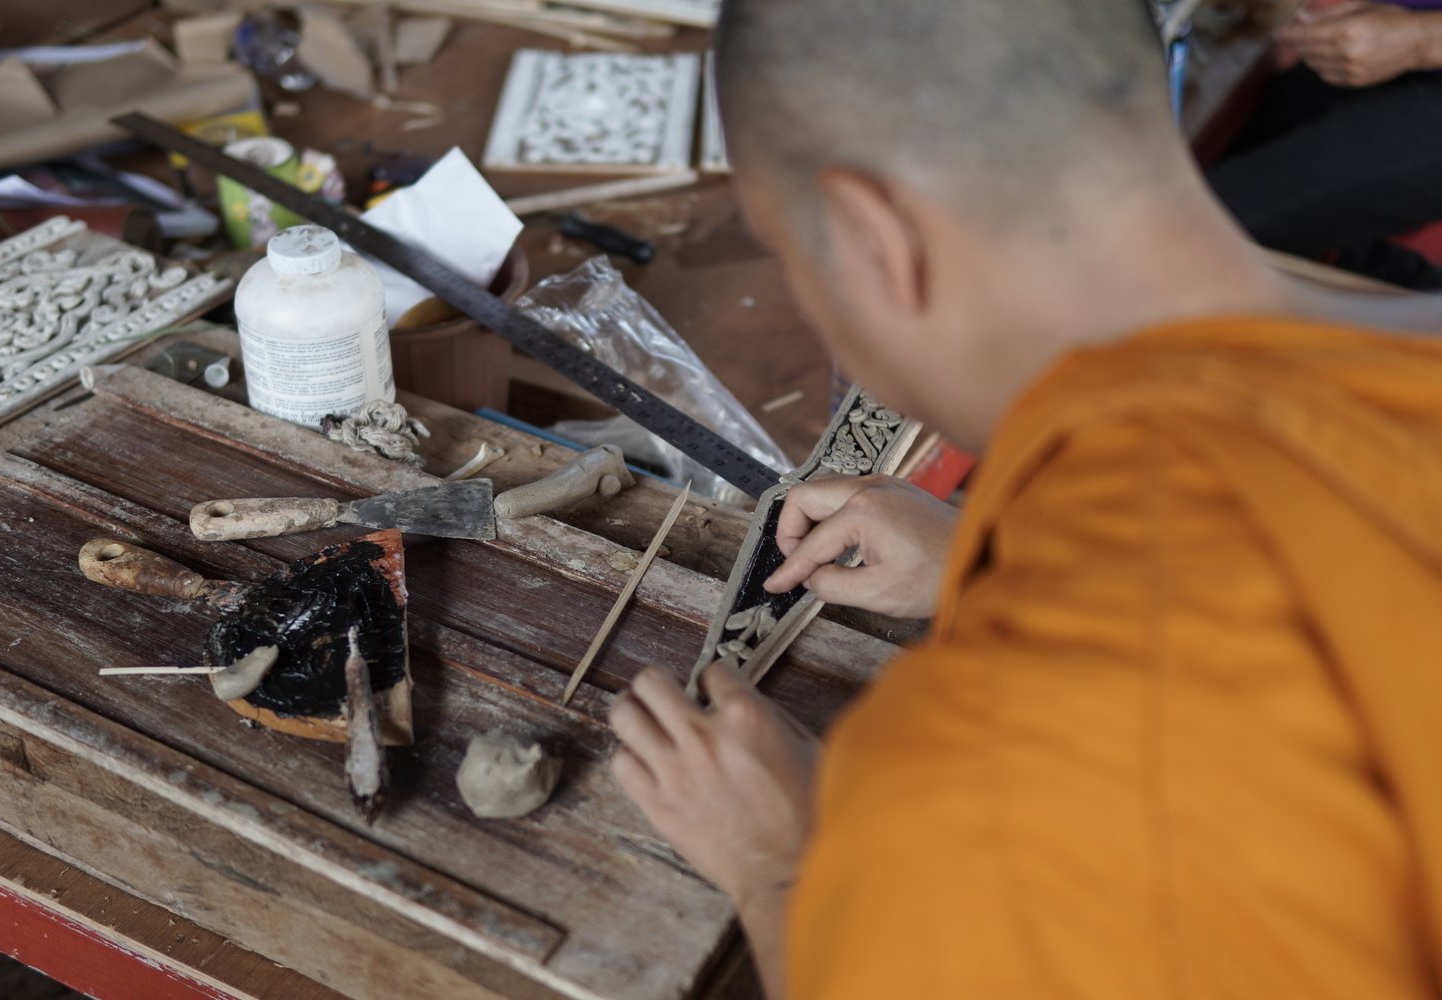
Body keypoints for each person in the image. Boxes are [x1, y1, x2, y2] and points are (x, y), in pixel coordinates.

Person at [606, 1, 1442, 997]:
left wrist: (781, 867)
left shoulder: (1001, 769)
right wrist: (980, 555)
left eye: (792, 256)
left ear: (877, 242)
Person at [1208, 0, 1442, 289]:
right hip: (1401, 21)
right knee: (1217, 159)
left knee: (1216, 222)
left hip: (1422, 42)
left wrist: (1422, 39)